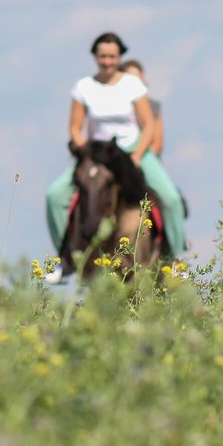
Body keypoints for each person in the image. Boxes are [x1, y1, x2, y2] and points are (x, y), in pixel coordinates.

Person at [43, 34, 185, 283]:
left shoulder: (132, 85)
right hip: (97, 154)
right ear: (95, 57)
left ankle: (174, 258)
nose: (107, 61)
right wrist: (84, 150)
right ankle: (65, 259)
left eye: (111, 56)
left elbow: (148, 124)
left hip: (131, 150)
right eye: (102, 56)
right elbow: (75, 128)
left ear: (119, 57)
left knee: (171, 198)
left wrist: (138, 155)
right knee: (54, 195)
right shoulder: (84, 86)